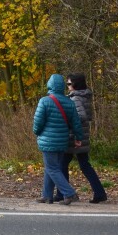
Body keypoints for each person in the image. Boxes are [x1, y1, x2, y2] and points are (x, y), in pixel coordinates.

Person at [53, 73, 108, 203]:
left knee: (64, 164)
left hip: (75, 137)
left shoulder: (76, 98)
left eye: (69, 83)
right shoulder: (84, 96)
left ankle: (63, 193)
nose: (68, 86)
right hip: (81, 135)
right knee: (83, 165)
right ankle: (99, 193)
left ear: (75, 84)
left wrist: (68, 121)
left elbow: (81, 116)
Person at [33, 74, 83, 205]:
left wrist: (37, 132)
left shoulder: (44, 101)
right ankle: (47, 196)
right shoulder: (69, 102)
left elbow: (38, 121)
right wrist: (79, 137)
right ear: (62, 86)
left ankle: (70, 193)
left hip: (48, 140)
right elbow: (76, 122)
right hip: (62, 140)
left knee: (52, 168)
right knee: (52, 167)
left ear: (49, 85)